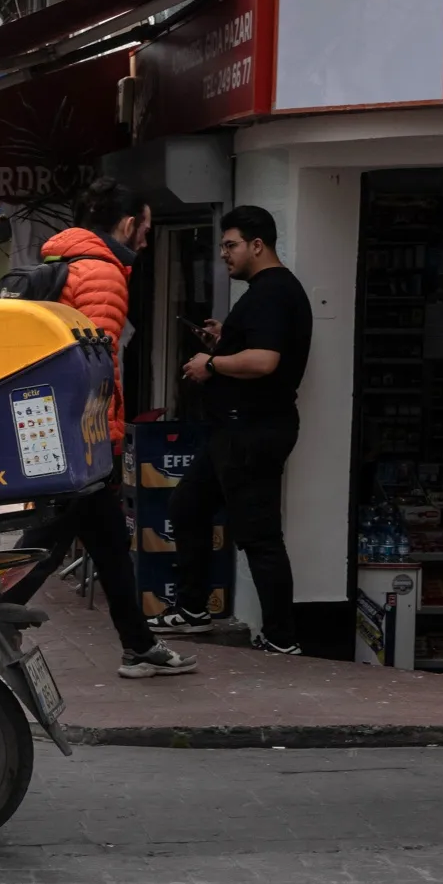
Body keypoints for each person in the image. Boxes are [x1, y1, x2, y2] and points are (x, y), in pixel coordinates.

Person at [18, 179, 198, 679]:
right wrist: (100, 442)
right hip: (85, 439)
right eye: (145, 228)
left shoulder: (66, 262)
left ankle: (138, 646)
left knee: (109, 547)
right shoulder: (103, 274)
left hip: (72, 434)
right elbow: (93, 365)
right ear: (126, 225)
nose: (146, 239)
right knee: (45, 543)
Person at [149, 206, 313, 655]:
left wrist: (212, 363)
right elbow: (256, 348)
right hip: (233, 432)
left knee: (259, 537)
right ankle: (193, 608)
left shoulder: (272, 292)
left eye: (231, 245)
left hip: (252, 433)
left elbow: (265, 361)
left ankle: (282, 639)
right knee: (187, 506)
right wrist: (224, 340)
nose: (223, 254)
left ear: (257, 245)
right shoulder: (267, 292)